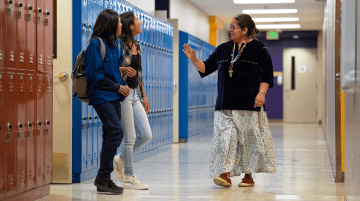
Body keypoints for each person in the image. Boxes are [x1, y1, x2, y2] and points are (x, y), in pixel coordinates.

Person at [183, 14, 276, 187]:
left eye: (233, 27)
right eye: (230, 27)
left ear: (245, 29)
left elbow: (266, 75)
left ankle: (248, 176)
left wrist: (261, 93)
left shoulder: (259, 49)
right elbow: (206, 68)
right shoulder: (223, 48)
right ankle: (224, 174)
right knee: (224, 139)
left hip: (248, 103)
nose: (230, 30)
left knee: (247, 140)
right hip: (224, 103)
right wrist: (194, 59)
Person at [84, 9, 130, 194]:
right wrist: (117, 87)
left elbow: (112, 69)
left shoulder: (117, 44)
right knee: (116, 131)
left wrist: (123, 77)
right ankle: (102, 176)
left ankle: (104, 179)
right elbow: (94, 75)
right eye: (119, 23)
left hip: (114, 96)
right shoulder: (96, 44)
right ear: (111, 24)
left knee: (109, 135)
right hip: (101, 96)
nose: (121, 25)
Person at [113, 11, 152, 190]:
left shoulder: (138, 44)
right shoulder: (119, 45)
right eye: (137, 20)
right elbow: (111, 69)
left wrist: (144, 96)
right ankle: (129, 177)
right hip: (124, 94)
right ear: (130, 26)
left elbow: (141, 73)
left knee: (146, 135)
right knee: (130, 137)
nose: (140, 22)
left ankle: (120, 159)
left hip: (136, 93)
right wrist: (122, 70)